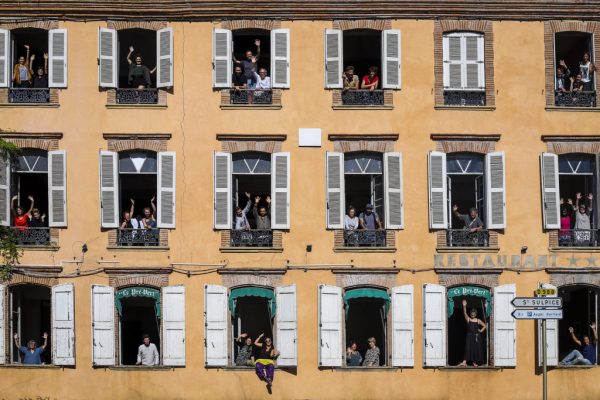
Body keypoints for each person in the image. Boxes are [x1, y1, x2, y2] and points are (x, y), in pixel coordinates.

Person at [458, 299, 486, 367]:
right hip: (469, 336)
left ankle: (474, 362)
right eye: (472, 313)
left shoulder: (478, 320)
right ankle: (464, 362)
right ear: (470, 314)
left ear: (475, 314)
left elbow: (485, 325)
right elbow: (465, 313)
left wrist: (481, 330)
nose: (473, 314)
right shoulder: (468, 319)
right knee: (468, 348)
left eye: (474, 313)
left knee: (475, 349)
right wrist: (464, 306)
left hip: (476, 336)